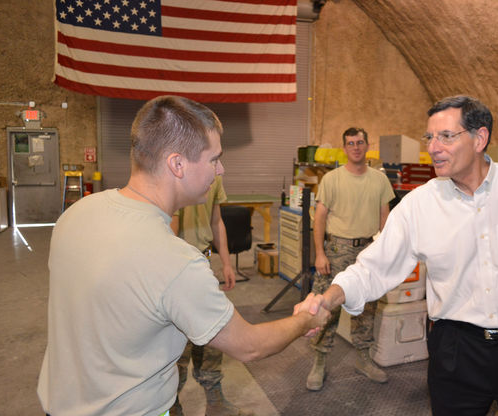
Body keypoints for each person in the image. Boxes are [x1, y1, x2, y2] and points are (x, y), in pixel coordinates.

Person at [37, 95, 329, 416]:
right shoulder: (175, 262)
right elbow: (249, 345)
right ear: (178, 164)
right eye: (214, 159)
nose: (221, 169)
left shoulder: (76, 214)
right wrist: (306, 320)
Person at [302, 96, 498, 415]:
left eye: (446, 136)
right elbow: (372, 268)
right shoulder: (419, 204)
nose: (433, 147)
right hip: (457, 352)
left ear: (480, 138)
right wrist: (326, 299)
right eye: (430, 137)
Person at [306, 127, 395, 391]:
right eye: (350, 143)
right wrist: (320, 253)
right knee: (326, 306)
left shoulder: (380, 180)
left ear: (367, 145)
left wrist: (383, 254)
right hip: (336, 251)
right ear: (344, 148)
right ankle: (319, 361)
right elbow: (319, 218)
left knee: (367, 308)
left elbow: (385, 218)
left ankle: (363, 359)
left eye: (360, 142)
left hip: (368, 251)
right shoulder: (332, 179)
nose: (355, 147)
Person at [169, 175, 250, 416]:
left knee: (212, 333)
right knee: (178, 342)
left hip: (203, 260)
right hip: (179, 262)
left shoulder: (214, 176)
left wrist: (226, 262)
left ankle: (216, 402)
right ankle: (172, 406)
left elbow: (216, 220)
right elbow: (169, 227)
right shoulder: (177, 173)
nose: (219, 165)